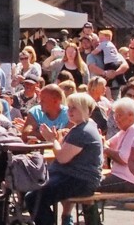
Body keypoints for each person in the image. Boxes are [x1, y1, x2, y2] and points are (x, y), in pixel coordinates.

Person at [27, 93, 104, 225]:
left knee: (34, 198)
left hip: (79, 179)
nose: (70, 111)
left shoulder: (83, 131)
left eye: (74, 108)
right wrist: (57, 139)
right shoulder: (82, 127)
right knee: (33, 191)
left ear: (85, 109)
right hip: (71, 176)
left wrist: (51, 140)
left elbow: (62, 158)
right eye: (69, 107)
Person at [98, 97, 134, 193]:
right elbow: (108, 143)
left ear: (131, 115)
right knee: (86, 182)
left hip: (128, 179)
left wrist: (105, 149)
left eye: (119, 115)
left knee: (87, 185)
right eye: (115, 115)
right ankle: (90, 208)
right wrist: (102, 142)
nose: (116, 119)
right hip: (121, 176)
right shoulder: (126, 129)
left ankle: (91, 208)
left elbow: (123, 159)